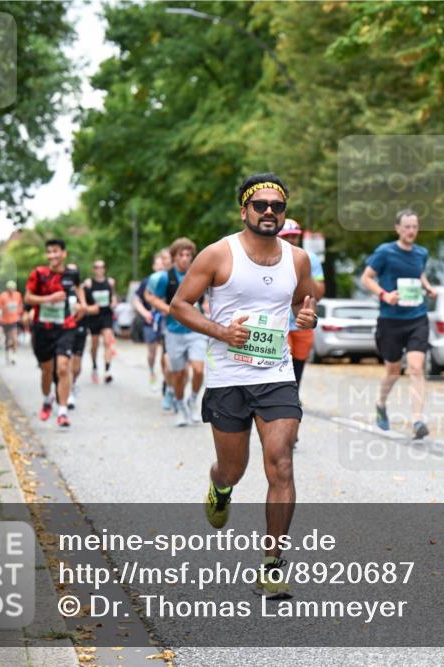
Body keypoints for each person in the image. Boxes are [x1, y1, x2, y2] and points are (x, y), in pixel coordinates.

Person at [170, 172, 318, 599]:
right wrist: (221, 332)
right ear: (245, 211)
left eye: (278, 206)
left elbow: (303, 306)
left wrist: (306, 319)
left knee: (281, 462)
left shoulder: (298, 259)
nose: (269, 212)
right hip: (229, 376)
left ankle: (272, 565)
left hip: (275, 375)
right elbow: (181, 305)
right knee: (234, 467)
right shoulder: (218, 254)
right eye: (261, 205)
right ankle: (220, 486)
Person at [360, 209, 438, 439]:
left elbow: (418, 274)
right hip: (390, 320)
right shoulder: (385, 252)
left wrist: (428, 287)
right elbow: (366, 278)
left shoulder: (421, 253)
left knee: (415, 367)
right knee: (393, 370)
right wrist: (385, 295)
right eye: (407, 227)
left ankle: (416, 420)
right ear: (398, 228)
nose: (411, 231)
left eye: (415, 226)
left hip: (417, 317)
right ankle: (381, 403)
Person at [24, 240, 87, 428]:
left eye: (56, 252)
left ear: (64, 254)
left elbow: (79, 287)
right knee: (47, 370)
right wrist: (49, 298)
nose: (52, 256)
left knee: (63, 367)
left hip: (66, 326)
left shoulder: (72, 274)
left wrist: (82, 304)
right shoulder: (39, 274)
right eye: (49, 252)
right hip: (43, 328)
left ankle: (62, 411)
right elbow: (27, 297)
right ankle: (47, 398)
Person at [146, 238, 208, 427]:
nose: (185, 258)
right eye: (181, 255)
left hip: (196, 330)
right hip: (173, 332)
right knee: (179, 375)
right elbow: (154, 299)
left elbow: (206, 299)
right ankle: (180, 406)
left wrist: (206, 309)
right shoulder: (166, 277)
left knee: (198, 370)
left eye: (188, 255)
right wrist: (171, 310)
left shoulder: (198, 275)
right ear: (173, 257)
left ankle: (193, 400)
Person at [278, 220, 326, 389]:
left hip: (301, 322)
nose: (291, 240)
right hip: (279, 322)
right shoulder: (271, 256)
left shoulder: (309, 258)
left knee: (299, 361)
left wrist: (303, 268)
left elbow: (318, 293)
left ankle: (294, 394)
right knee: (284, 359)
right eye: (287, 236)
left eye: (294, 237)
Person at [134, 249, 171, 389]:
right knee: (152, 352)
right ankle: (151, 371)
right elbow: (136, 300)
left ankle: (166, 381)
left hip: (165, 320)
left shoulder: (170, 280)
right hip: (150, 321)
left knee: (165, 353)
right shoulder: (147, 281)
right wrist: (145, 313)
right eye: (158, 265)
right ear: (154, 267)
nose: (160, 268)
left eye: (163, 264)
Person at [83, 259, 119, 384]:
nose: (99, 269)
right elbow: (84, 298)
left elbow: (113, 295)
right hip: (93, 316)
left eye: (102, 267)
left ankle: (107, 370)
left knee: (108, 341)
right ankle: (94, 366)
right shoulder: (89, 283)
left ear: (104, 269)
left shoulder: (110, 282)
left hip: (106, 314)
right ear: (94, 269)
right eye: (97, 267)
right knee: (94, 344)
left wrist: (114, 301)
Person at [66, 263, 91, 410]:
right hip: (66, 330)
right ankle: (68, 393)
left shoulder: (83, 289)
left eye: (74, 270)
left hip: (81, 328)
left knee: (77, 366)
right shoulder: (62, 287)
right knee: (66, 363)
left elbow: (90, 307)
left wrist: (82, 308)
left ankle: (73, 382)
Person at [0, 280, 24, 365]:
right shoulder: (3, 296)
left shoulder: (18, 295)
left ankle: (14, 355)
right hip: (4, 320)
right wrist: (3, 308)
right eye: (10, 288)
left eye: (13, 288)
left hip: (14, 320)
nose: (11, 290)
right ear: (7, 289)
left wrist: (19, 312)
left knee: (14, 338)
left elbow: (20, 305)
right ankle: (7, 353)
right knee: (7, 340)